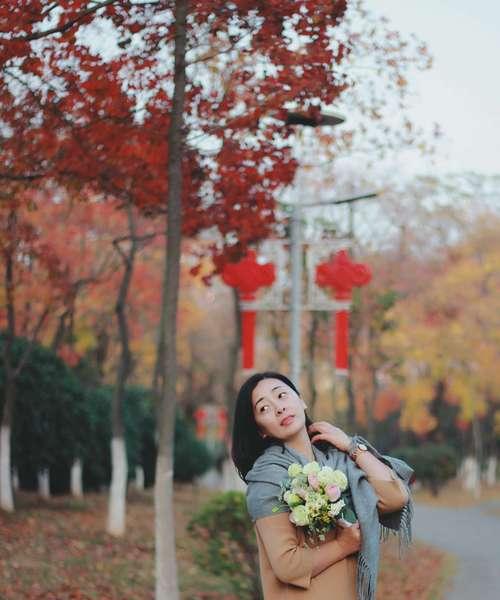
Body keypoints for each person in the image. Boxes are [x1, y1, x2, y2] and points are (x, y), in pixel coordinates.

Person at [231, 371, 414, 600]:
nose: (278, 408)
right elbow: (287, 565)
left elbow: (395, 497)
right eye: (264, 409)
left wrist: (350, 446)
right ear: (261, 430)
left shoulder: (338, 461)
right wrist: (343, 546)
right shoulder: (267, 479)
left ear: (301, 400)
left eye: (281, 396)